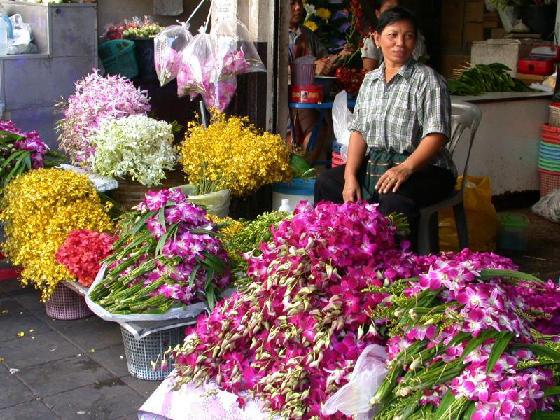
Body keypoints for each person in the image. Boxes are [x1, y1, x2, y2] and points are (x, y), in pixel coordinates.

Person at [314, 7, 456, 250]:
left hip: (426, 169)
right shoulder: (370, 81)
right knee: (327, 182)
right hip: (380, 164)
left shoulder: (428, 80)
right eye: (393, 35)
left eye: (408, 36)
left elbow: (437, 134)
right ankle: (339, 253)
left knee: (394, 200)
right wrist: (349, 176)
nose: (400, 42)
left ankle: (396, 268)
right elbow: (358, 131)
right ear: (377, 39)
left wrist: (405, 168)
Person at [361, 0, 427, 72]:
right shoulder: (371, 40)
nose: (393, 14)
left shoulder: (415, 37)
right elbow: (368, 72)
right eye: (388, 10)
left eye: (397, 9)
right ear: (378, 14)